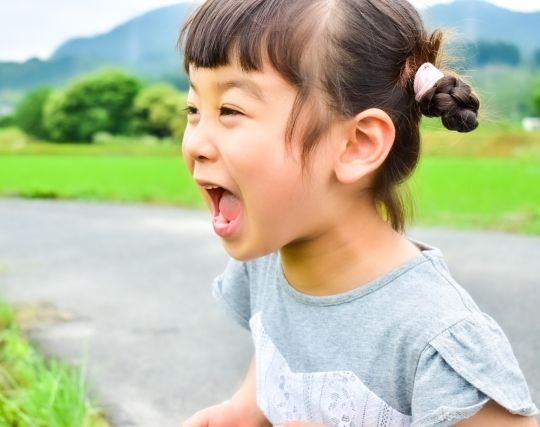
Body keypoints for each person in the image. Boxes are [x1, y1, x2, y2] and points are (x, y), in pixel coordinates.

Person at [178, 0, 539, 426]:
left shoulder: (435, 338)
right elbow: (280, 352)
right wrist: (244, 410)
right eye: (194, 111)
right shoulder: (266, 267)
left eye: (230, 111)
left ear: (357, 145)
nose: (195, 143)